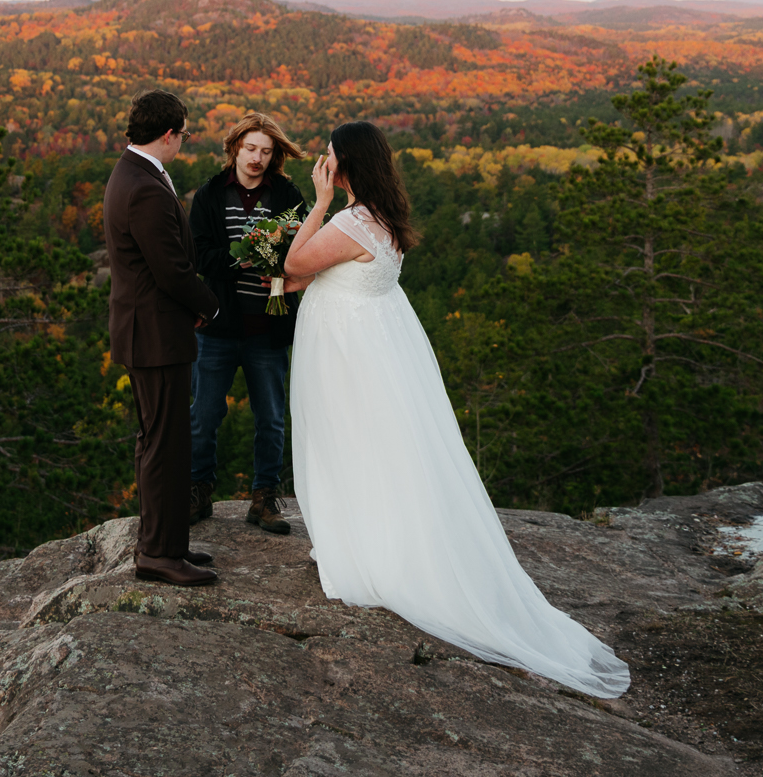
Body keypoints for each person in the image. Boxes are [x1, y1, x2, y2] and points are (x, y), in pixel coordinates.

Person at [282, 121, 633, 697]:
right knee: (380, 450)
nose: (323, 161)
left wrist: (318, 202)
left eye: (329, 156)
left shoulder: (351, 220)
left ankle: (371, 548)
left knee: (349, 444)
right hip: (373, 350)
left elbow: (296, 265)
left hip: (348, 357)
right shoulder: (383, 219)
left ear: (347, 166)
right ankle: (376, 533)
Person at [102, 89, 222, 587]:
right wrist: (208, 305)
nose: (184, 143)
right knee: (163, 444)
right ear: (169, 134)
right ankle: (157, 554)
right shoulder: (145, 187)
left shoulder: (131, 173)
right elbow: (170, 269)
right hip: (153, 334)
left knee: (161, 439)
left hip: (150, 327)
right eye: (185, 134)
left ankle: (169, 541)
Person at [188, 112, 309, 534]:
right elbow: (199, 256)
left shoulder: (288, 195)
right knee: (203, 415)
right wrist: (246, 256)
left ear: (274, 155)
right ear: (235, 147)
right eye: (250, 148)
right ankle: (198, 491)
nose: (257, 158)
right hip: (218, 328)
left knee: (270, 419)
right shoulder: (209, 195)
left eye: (266, 150)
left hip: (268, 330)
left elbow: (304, 246)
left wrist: (278, 258)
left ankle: (264, 498)